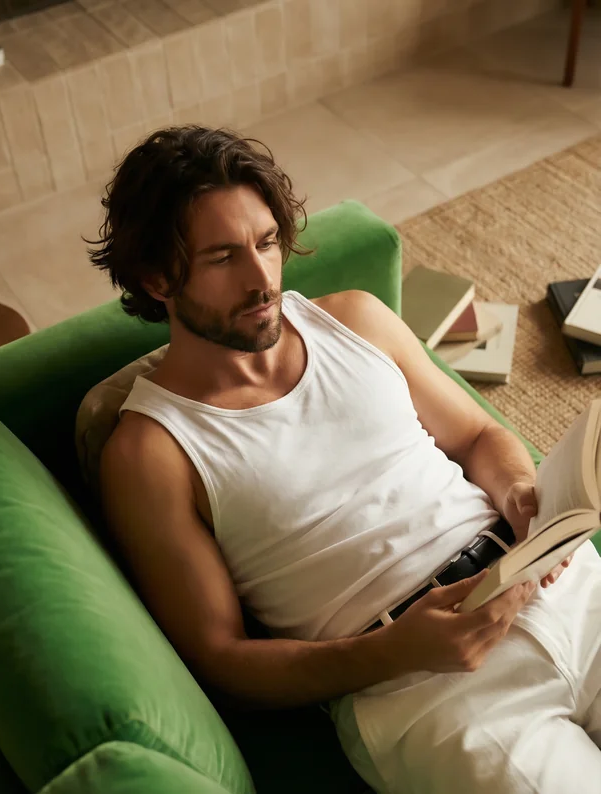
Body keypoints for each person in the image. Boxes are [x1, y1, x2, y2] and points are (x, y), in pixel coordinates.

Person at [90, 126, 601, 794]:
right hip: (425, 691)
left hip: (557, 589)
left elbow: (480, 435)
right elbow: (221, 659)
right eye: (222, 258)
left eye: (267, 241)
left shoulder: (354, 319)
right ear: (158, 278)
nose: (262, 278)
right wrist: (394, 650)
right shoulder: (151, 452)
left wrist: (521, 497)